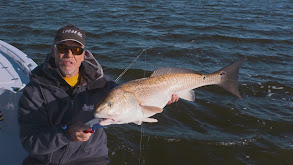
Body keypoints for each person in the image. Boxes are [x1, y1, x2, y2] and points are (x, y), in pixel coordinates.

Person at [18, 24, 179, 165]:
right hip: (47, 161)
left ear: (83, 54)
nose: (69, 55)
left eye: (76, 50)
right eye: (62, 48)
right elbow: (30, 142)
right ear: (53, 52)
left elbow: (131, 103)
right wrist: (65, 134)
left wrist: (161, 96)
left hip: (91, 159)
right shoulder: (35, 92)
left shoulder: (104, 85)